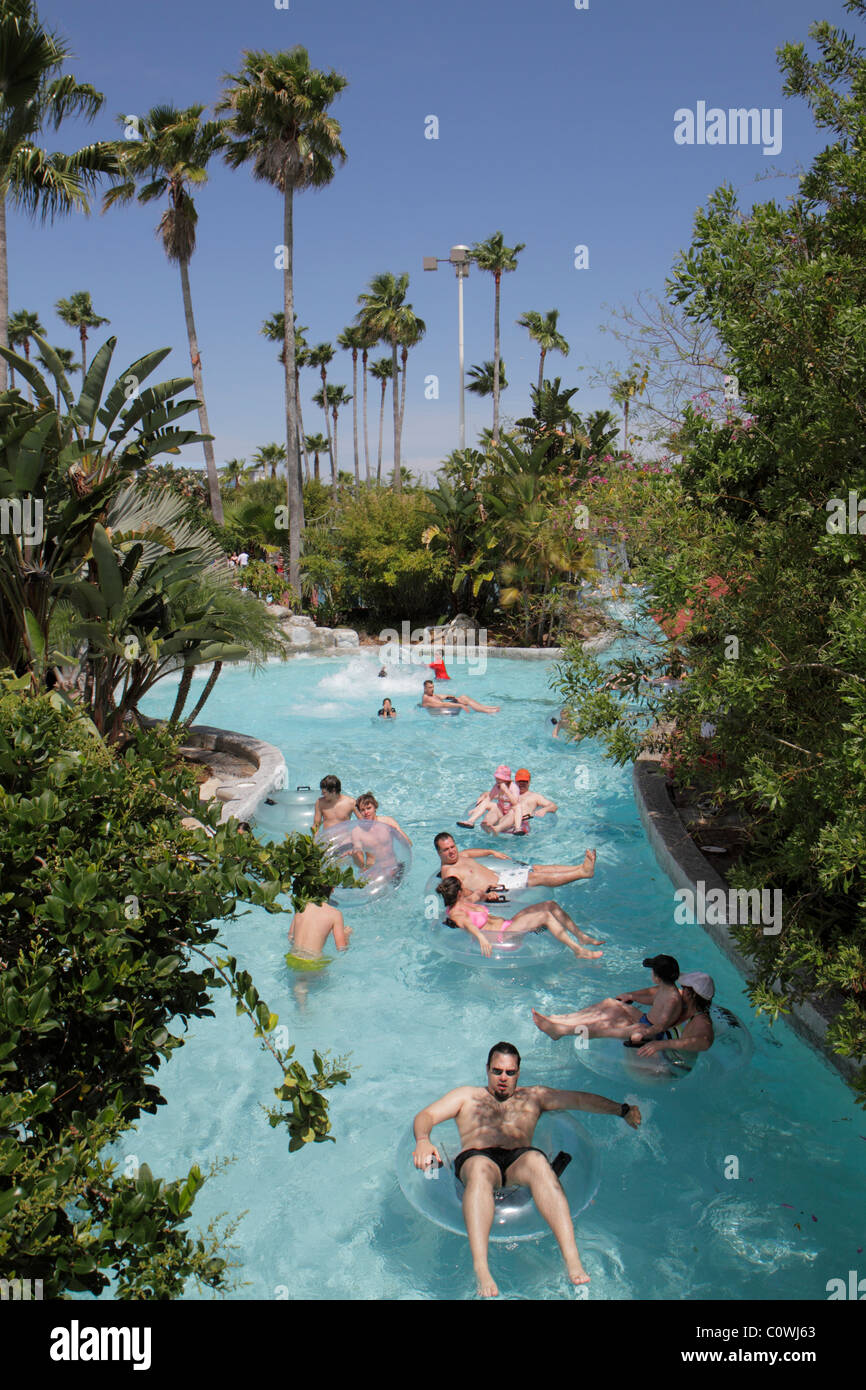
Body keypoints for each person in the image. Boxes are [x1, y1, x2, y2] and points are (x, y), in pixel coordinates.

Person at [412, 1043, 641, 1297]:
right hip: (477, 1157)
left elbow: (578, 1099)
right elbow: (427, 1115)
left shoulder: (534, 1096)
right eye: (497, 1071)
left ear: (518, 1073)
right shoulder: (466, 1096)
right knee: (479, 1169)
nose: (503, 1078)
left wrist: (622, 1110)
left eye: (510, 1072)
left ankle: (572, 1258)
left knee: (538, 1163)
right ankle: (481, 1267)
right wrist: (423, 1139)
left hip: (517, 1161)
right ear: (487, 1069)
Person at [437, 876, 603, 960]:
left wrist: (487, 891)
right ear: (459, 892)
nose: (466, 888)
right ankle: (578, 951)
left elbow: (478, 894)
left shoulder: (466, 902)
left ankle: (581, 937)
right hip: (502, 937)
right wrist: (481, 938)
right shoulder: (456, 913)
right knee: (544, 916)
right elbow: (467, 924)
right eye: (463, 887)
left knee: (550, 904)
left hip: (508, 925)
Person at [532, 955, 683, 1042]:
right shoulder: (665, 988)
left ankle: (560, 1030)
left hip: (651, 1030)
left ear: (658, 976)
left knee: (602, 1027)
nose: (651, 974)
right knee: (610, 1003)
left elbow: (661, 1026)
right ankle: (560, 1019)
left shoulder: (672, 999)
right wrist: (630, 997)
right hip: (645, 1019)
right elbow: (654, 1003)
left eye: (652, 972)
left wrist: (643, 1034)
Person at [433, 832, 596, 900]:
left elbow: (472, 852)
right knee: (536, 877)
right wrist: (482, 895)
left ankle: (578, 867)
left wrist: (491, 851)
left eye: (453, 846)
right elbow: (460, 891)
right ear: (439, 853)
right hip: (497, 889)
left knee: (537, 868)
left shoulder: (461, 855)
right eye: (446, 850)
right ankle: (583, 873)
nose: (452, 851)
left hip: (502, 878)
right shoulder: (449, 872)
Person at [634, 973, 715, 1069]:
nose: (681, 990)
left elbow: (705, 1043)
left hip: (670, 1069)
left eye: (683, 987)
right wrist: (631, 995)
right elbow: (662, 989)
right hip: (660, 1056)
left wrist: (662, 1044)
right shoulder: (686, 1002)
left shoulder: (700, 1020)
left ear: (690, 994)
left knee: (630, 1031)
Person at [286, 899, 351, 970]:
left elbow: (290, 937)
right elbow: (341, 948)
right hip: (313, 963)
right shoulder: (335, 914)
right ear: (332, 890)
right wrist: (346, 936)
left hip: (292, 959)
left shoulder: (301, 906)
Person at [456, 765, 521, 831]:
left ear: (506, 780)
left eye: (500, 779)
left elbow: (515, 803)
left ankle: (517, 828)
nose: (497, 780)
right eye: (497, 778)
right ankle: (471, 821)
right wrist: (476, 808)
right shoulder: (496, 786)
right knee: (486, 803)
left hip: (511, 812)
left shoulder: (513, 787)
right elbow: (488, 799)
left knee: (517, 808)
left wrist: (506, 790)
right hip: (501, 810)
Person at [422, 679, 499, 715]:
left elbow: (442, 697)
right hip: (445, 713)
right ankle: (487, 711)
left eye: (433, 687)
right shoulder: (427, 699)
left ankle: (484, 707)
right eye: (430, 688)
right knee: (463, 699)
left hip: (447, 709)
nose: (432, 689)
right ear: (425, 688)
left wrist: (451, 697)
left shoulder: (432, 695)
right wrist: (460, 705)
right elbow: (444, 704)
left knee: (463, 697)